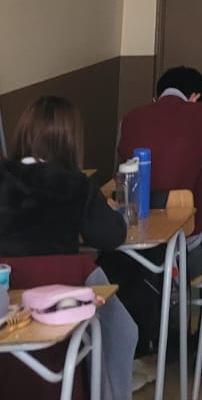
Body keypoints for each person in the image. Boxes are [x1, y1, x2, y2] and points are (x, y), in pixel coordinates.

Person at [0, 97, 137, 400]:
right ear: (70, 140)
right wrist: (111, 209)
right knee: (123, 331)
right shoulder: (73, 183)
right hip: (59, 298)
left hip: (6, 300)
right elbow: (111, 236)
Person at [115, 65, 202, 369]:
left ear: (157, 97)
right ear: (194, 97)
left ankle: (164, 336)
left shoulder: (130, 119)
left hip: (135, 251)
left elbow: (123, 177)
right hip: (185, 247)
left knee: (160, 260)